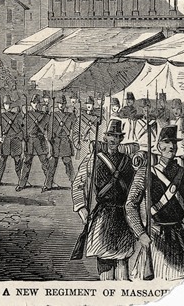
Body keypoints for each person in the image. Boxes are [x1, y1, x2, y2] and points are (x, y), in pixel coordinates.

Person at [125, 124, 184, 280]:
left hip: (179, 237)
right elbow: (130, 205)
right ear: (159, 146)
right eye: (166, 142)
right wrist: (140, 233)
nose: (171, 146)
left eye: (173, 142)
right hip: (155, 237)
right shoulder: (145, 173)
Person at [72, 118, 136, 280]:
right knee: (105, 261)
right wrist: (82, 209)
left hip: (123, 216)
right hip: (102, 215)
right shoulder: (93, 159)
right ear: (105, 138)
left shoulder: (128, 161)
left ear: (121, 139)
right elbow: (79, 184)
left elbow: (136, 189)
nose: (113, 139)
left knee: (122, 262)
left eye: (116, 136)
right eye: (110, 135)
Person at [17, 95, 53, 192]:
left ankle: (49, 183)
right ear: (31, 103)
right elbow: (23, 127)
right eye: (34, 103)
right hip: (30, 142)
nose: (35, 105)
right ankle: (22, 184)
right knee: (26, 163)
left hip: (40, 141)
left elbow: (48, 128)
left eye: (37, 103)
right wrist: (23, 138)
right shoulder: (27, 115)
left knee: (45, 163)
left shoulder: (44, 115)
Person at [0, 99, 24, 187]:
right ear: (3, 105)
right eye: (6, 104)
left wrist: (21, 137)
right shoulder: (0, 116)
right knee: (1, 161)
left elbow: (24, 128)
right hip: (5, 141)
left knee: (18, 162)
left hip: (16, 142)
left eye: (9, 104)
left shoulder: (18, 116)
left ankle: (22, 181)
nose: (7, 106)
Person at [46, 97, 77, 189]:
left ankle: (73, 182)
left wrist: (75, 115)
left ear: (65, 105)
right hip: (55, 141)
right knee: (52, 164)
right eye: (59, 103)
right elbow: (50, 129)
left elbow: (75, 127)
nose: (61, 105)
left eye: (63, 103)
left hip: (65, 142)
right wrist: (50, 140)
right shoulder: (53, 115)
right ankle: (48, 184)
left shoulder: (70, 116)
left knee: (68, 163)